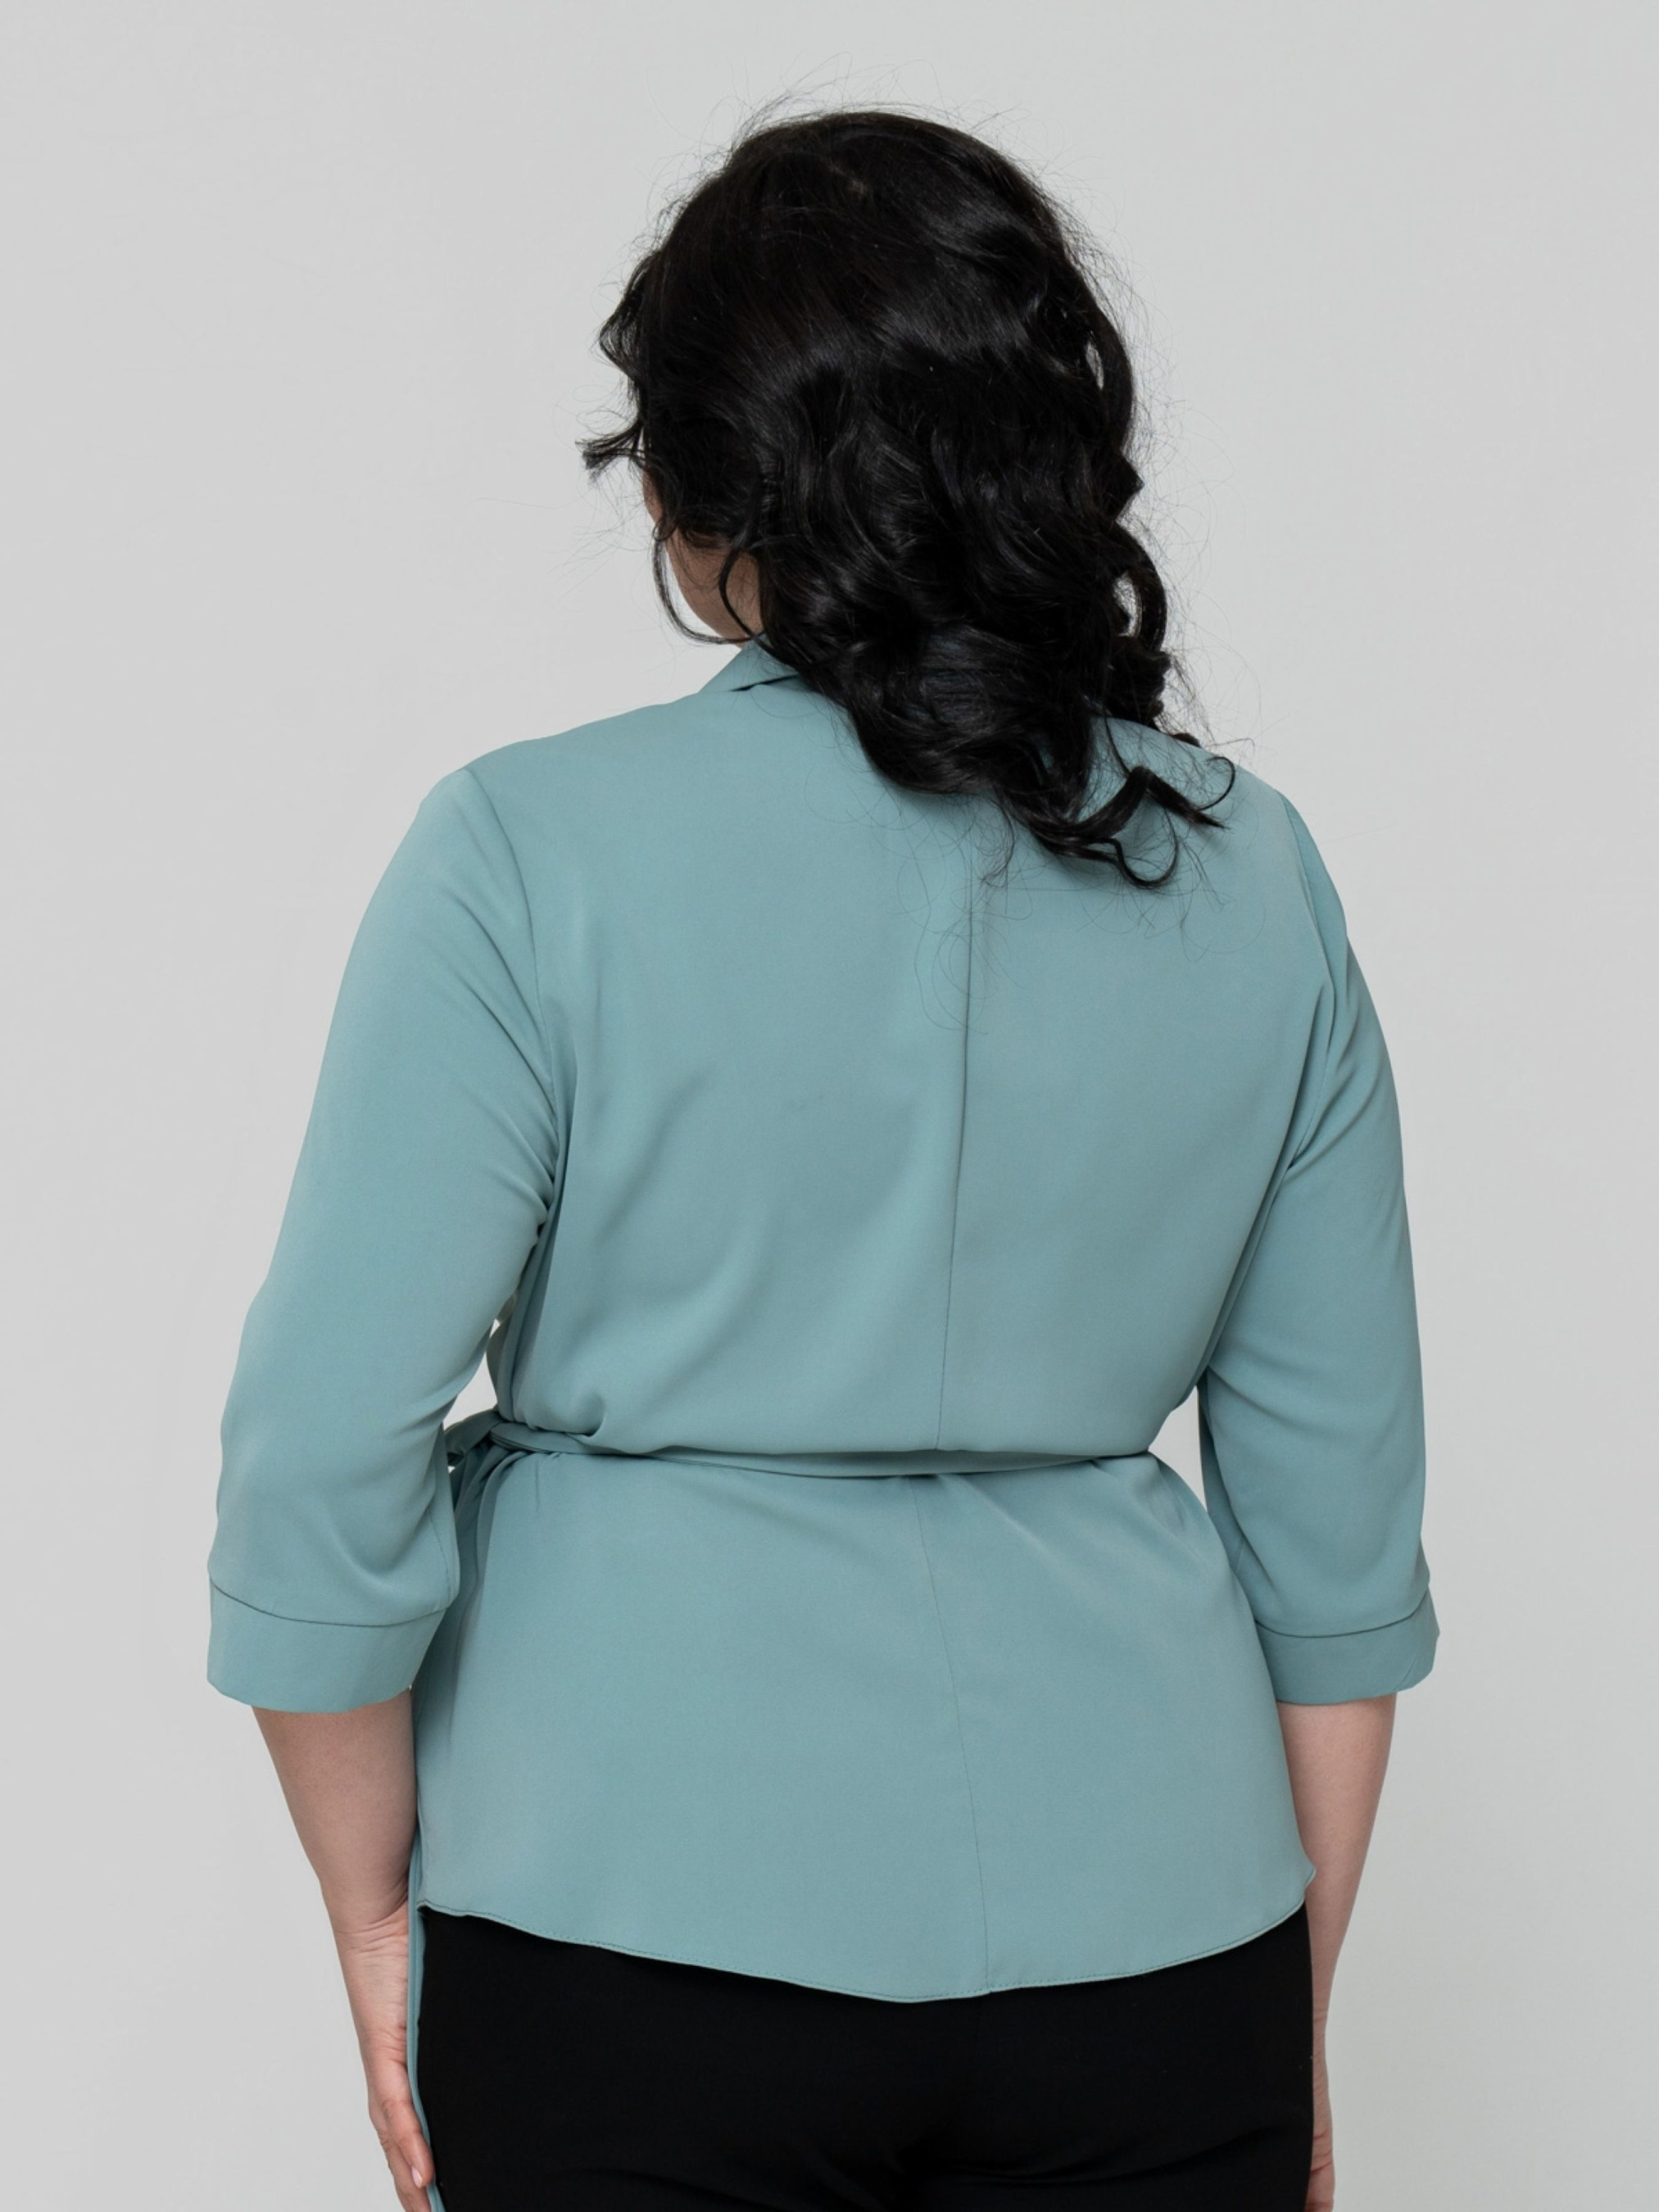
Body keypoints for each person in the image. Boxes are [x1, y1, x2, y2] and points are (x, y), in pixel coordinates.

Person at [206, 108, 1436, 2212]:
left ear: (695, 493)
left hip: (626, 1930)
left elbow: (321, 1452)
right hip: (1160, 1951)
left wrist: (367, 1904)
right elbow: (1333, 1544)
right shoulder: (1254, 875)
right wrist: (1276, 1997)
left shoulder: (525, 852)